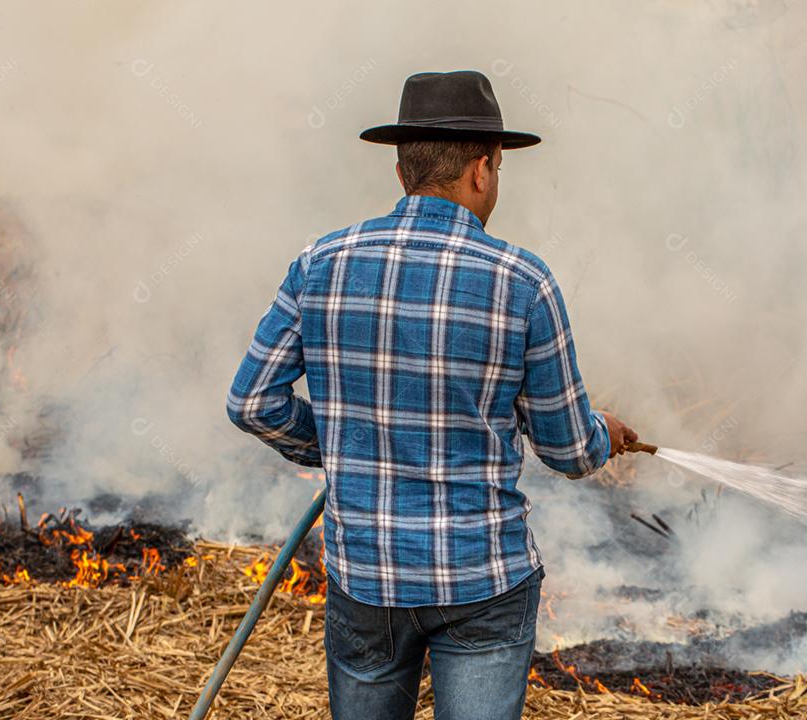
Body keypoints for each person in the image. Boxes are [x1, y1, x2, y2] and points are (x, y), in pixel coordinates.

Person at [228, 70, 638, 720]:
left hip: (367, 577)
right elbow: (566, 449)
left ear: (402, 173)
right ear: (481, 170)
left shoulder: (320, 263)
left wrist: (341, 443)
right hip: (483, 582)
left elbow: (252, 402)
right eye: (498, 167)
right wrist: (604, 435)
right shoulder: (524, 283)